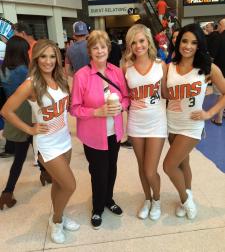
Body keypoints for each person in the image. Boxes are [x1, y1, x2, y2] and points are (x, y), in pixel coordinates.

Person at [1, 39, 79, 244]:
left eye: (52, 56)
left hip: (64, 139)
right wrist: (30, 129)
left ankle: (60, 215)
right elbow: (6, 111)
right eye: (43, 56)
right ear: (35, 58)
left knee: (60, 185)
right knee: (70, 185)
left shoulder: (60, 77)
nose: (48, 61)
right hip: (47, 144)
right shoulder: (31, 84)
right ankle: (56, 220)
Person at [163, 23, 225, 220]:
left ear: (199, 45)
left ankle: (186, 200)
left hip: (192, 125)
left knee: (169, 166)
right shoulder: (169, 66)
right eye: (184, 41)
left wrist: (210, 113)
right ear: (178, 42)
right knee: (182, 163)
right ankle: (187, 193)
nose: (188, 46)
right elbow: (165, 94)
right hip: (172, 123)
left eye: (193, 42)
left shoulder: (208, 67)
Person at [70, 30, 129, 229]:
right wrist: (97, 112)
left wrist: (122, 106)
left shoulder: (116, 72)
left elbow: (126, 98)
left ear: (108, 49)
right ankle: (97, 208)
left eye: (103, 47)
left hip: (115, 133)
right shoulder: (82, 76)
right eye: (95, 47)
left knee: (112, 169)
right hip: (94, 136)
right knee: (98, 172)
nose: (99, 51)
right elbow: (74, 108)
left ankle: (108, 200)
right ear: (89, 51)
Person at [124, 24, 167, 221]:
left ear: (148, 41)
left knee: (150, 170)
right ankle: (147, 199)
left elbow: (167, 94)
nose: (138, 45)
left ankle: (157, 200)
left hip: (157, 122)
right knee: (142, 167)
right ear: (129, 45)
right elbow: (123, 96)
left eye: (141, 41)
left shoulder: (161, 65)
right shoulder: (126, 67)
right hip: (135, 123)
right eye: (134, 42)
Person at [0, 36, 32, 209]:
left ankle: (7, 192)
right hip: (27, 113)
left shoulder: (3, 69)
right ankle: (7, 191)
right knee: (37, 148)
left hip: (12, 114)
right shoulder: (23, 70)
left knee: (21, 156)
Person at [211, 18, 225, 125]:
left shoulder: (219, 38)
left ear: (221, 25)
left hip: (220, 71)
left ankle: (219, 119)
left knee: (221, 94)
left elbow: (213, 55)